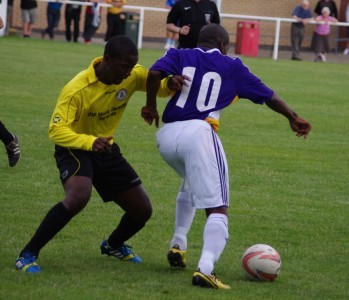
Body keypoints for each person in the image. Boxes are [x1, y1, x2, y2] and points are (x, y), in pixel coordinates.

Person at [142, 23, 311, 289]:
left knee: (189, 181)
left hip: (166, 136)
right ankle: (205, 269)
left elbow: (153, 74)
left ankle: (178, 243)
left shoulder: (180, 54)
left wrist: (151, 106)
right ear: (224, 45)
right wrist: (293, 116)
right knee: (218, 207)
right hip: (199, 133)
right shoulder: (233, 65)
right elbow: (269, 96)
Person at [15, 35, 186, 273]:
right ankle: (27, 254)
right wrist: (89, 142)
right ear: (107, 59)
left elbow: (152, 82)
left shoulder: (131, 74)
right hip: (74, 147)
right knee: (78, 196)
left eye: (131, 67)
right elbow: (56, 131)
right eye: (124, 67)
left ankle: (113, 245)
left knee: (142, 210)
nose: (128, 73)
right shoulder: (77, 89)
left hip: (105, 148)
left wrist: (170, 85)